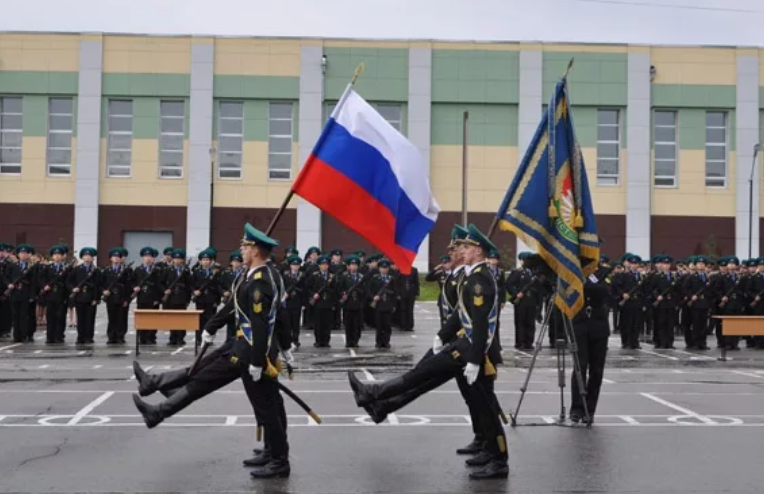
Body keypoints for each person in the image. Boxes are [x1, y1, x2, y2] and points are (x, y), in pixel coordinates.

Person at [348, 224, 508, 480]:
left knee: (479, 403)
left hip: (470, 350)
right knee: (470, 399)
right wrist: (441, 335)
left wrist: (476, 359)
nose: (461, 251)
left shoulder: (480, 280)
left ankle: (498, 460)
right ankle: (490, 451)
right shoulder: (473, 276)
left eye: (465, 247)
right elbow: (461, 314)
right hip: (462, 346)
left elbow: (480, 324)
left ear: (478, 250)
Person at [132, 223, 291, 479]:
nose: (241, 249)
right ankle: (273, 452)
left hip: (251, 350)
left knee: (262, 404)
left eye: (245, 246)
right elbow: (237, 308)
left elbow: (264, 322)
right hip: (242, 344)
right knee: (265, 401)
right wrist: (212, 326)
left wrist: (262, 359)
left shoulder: (262, 280)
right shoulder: (254, 276)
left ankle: (279, 460)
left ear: (256, 250)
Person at [569, 259, 611, 424]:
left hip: (599, 324)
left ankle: (590, 409)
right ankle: (577, 408)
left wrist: (589, 282)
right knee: (580, 366)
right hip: (580, 323)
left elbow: (606, 292)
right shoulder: (574, 269)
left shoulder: (605, 272)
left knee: (596, 370)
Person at [5, 244, 39, 343]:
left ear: (28, 255)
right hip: (15, 293)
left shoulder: (31, 267)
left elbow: (34, 282)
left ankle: (24, 335)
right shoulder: (13, 266)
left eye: (25, 253)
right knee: (15, 316)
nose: (23, 255)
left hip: (26, 294)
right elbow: (5, 277)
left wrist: (32, 296)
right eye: (21, 253)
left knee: (24, 316)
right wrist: (9, 284)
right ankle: (16, 336)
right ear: (18, 255)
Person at [67, 248, 100, 345]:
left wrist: (96, 298)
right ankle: (80, 337)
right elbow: (68, 281)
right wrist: (73, 289)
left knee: (90, 319)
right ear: (82, 257)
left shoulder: (96, 271)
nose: (87, 257)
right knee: (81, 319)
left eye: (89, 256)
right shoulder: (77, 269)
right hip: (80, 297)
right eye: (85, 256)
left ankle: (89, 337)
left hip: (91, 298)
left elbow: (98, 285)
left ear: (93, 258)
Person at [39, 245, 71, 344]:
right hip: (50, 295)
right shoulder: (48, 267)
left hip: (62, 295)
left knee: (61, 316)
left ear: (62, 256)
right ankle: (50, 336)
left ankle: (59, 336)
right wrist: (45, 286)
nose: (57, 256)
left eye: (59, 255)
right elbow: (41, 278)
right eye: (55, 255)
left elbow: (69, 281)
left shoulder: (67, 268)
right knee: (50, 316)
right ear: (52, 256)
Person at [647, 255, 680, 349]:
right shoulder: (657, 276)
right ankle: (661, 342)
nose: (666, 266)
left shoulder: (674, 276)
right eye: (664, 264)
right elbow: (651, 288)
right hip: (660, 303)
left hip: (671, 303)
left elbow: (678, 290)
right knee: (661, 323)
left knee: (670, 323)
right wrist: (657, 296)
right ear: (661, 265)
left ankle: (669, 342)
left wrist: (676, 301)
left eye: (668, 264)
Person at [162, 249, 194, 346]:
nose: (177, 261)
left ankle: (181, 338)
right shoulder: (168, 270)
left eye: (179, 259)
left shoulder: (186, 271)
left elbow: (189, 286)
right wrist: (165, 290)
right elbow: (160, 282)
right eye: (175, 258)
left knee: (181, 319)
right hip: (170, 298)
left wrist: (188, 299)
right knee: (172, 319)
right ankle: (172, 338)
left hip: (181, 298)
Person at [133, 247, 163, 345]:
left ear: (154, 258)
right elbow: (132, 282)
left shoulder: (158, 270)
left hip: (153, 299)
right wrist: (134, 288)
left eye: (150, 256)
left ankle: (151, 337)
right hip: (142, 298)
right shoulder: (138, 269)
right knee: (142, 319)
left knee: (153, 319)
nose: (148, 258)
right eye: (146, 256)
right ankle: (142, 337)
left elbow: (160, 285)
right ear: (143, 258)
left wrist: (158, 299)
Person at [102, 247, 132, 345]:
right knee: (111, 318)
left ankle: (120, 336)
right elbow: (101, 283)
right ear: (110, 258)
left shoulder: (126, 270)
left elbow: (129, 286)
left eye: (117, 257)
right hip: (110, 297)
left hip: (122, 297)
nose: (115, 259)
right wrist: (104, 291)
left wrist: (127, 299)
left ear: (120, 259)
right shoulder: (107, 270)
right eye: (113, 257)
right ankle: (111, 336)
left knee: (122, 318)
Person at [193, 248, 222, 346]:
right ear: (200, 261)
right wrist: (194, 291)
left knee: (210, 320)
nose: (206, 261)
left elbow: (219, 285)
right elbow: (191, 284)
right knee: (200, 320)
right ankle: (199, 339)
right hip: (200, 299)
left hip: (211, 299)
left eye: (207, 260)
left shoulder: (216, 272)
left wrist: (217, 300)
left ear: (211, 261)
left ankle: (208, 339)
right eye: (203, 260)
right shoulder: (196, 272)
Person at [307, 255, 336, 348]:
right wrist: (313, 294)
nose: (324, 266)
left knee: (327, 323)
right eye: (322, 264)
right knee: (318, 323)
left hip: (328, 302)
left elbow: (336, 289)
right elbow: (308, 288)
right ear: (319, 265)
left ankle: (326, 341)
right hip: (318, 303)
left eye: (326, 264)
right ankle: (318, 341)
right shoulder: (314, 276)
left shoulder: (332, 276)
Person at [368, 259, 397, 349]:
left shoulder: (391, 279)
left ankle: (386, 341)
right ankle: (379, 342)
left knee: (387, 325)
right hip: (378, 305)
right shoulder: (374, 278)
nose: (384, 270)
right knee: (379, 325)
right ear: (379, 268)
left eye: (386, 268)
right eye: (382, 268)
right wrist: (373, 297)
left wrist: (394, 305)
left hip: (388, 305)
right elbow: (369, 290)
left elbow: (395, 292)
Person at [340, 255, 365, 348]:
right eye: (351, 265)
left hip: (358, 303)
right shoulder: (344, 276)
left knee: (357, 324)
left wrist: (358, 290)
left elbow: (364, 290)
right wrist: (343, 294)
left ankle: (356, 340)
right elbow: (340, 287)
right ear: (348, 266)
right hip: (348, 304)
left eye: (355, 265)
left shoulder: (361, 277)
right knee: (348, 324)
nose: (353, 267)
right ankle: (349, 341)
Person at [221, 251, 246, 341]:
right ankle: (229, 339)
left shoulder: (244, 273)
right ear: (231, 262)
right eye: (234, 261)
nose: (236, 263)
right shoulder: (226, 272)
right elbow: (220, 284)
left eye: (238, 261)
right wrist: (223, 292)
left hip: (240, 300)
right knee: (230, 320)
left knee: (241, 321)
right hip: (230, 299)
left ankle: (240, 339)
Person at [282, 255, 304, 346]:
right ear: (290, 266)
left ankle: (295, 340)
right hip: (288, 301)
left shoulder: (302, 275)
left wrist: (303, 303)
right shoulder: (285, 275)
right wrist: (285, 294)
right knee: (287, 323)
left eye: (297, 265)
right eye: (293, 265)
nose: (295, 266)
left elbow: (304, 289)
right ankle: (288, 340)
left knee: (296, 323)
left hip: (297, 302)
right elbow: (282, 286)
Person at [395, 262, 419, 332]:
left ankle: (410, 326)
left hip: (411, 292)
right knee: (403, 309)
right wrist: (397, 294)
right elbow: (397, 282)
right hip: (402, 292)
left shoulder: (414, 270)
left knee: (410, 310)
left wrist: (417, 292)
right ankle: (403, 325)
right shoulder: (400, 270)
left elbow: (416, 282)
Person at [0, 243, 13, 338]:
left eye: (2, 251)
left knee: (6, 310)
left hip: (5, 290)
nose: (1, 253)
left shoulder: (9, 264)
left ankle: (6, 329)